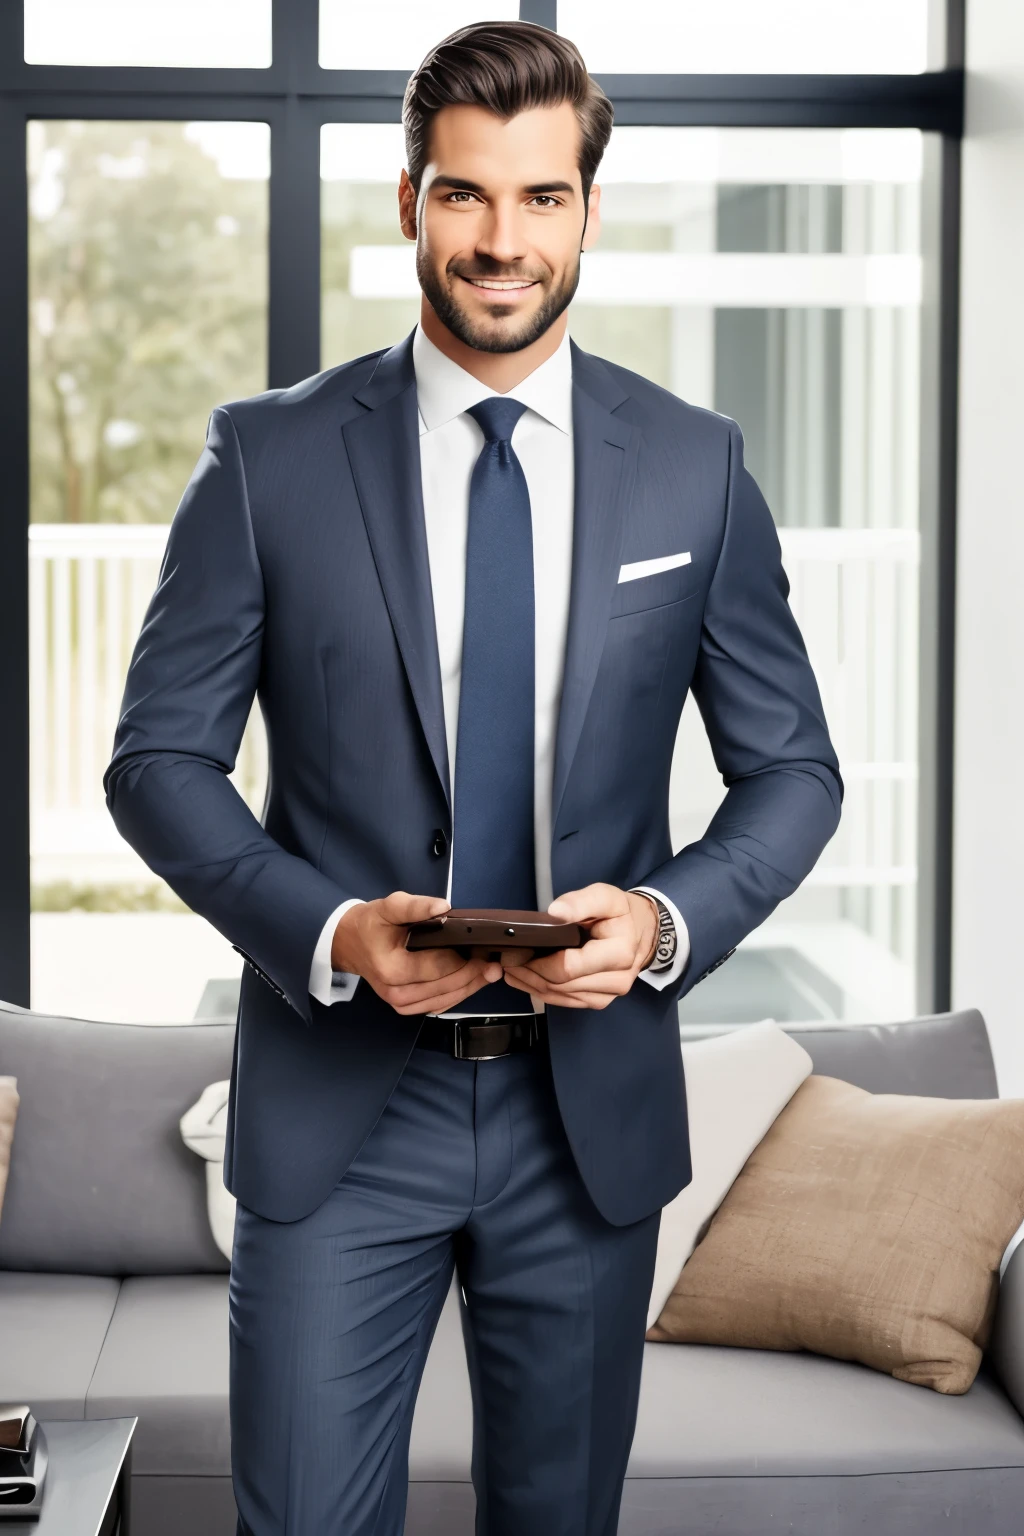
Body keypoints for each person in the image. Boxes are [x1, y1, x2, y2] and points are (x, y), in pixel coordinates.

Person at [104, 20, 842, 1536]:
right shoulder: (268, 458)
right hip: (339, 1117)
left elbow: (793, 773)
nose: (504, 241)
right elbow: (158, 761)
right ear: (408, 203)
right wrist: (327, 931)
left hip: (590, 1120)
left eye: (543, 198)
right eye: (466, 196)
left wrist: (664, 918)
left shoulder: (695, 467)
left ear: (586, 208)